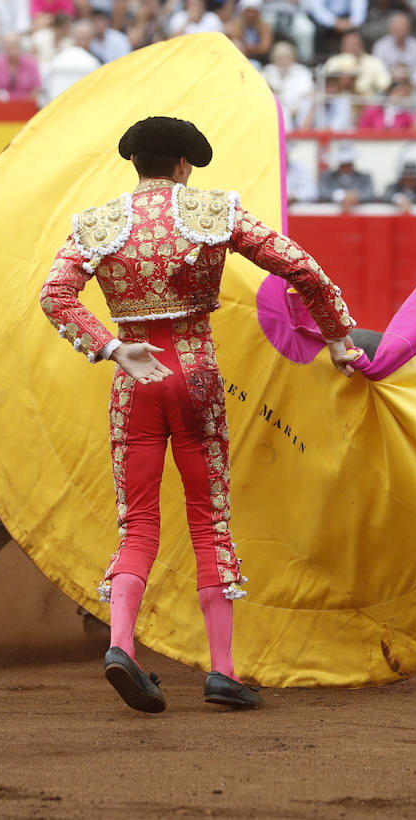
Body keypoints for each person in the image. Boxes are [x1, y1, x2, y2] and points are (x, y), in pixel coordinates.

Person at [38, 115, 360, 713]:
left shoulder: (99, 223)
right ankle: (222, 671)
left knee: (138, 524)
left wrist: (111, 346)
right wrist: (339, 337)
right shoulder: (213, 213)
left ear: (136, 164)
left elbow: (53, 296)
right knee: (208, 520)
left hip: (135, 381)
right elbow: (303, 270)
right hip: (196, 374)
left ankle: (121, 647)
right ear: (184, 165)